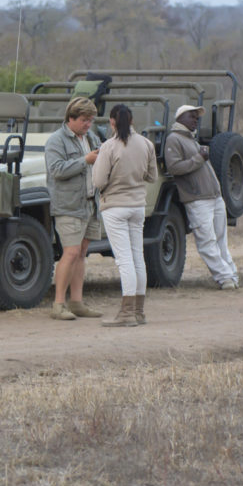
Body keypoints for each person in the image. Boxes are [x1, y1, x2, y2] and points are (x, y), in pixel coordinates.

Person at [92, 104, 158, 327]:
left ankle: (127, 313)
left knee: (124, 260)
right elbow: (152, 176)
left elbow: (98, 181)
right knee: (137, 256)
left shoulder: (109, 147)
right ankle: (139, 311)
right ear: (131, 121)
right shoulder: (147, 144)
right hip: (137, 206)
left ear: (112, 122)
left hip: (115, 207)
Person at [163, 105, 238, 290]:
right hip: (197, 199)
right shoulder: (174, 139)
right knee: (207, 241)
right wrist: (199, 158)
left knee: (220, 239)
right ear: (180, 117)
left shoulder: (191, 138)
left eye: (197, 117)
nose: (196, 120)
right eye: (192, 116)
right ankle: (224, 277)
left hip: (214, 197)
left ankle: (231, 274)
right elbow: (174, 168)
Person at [45, 96, 103, 320]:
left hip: (90, 203)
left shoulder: (92, 137)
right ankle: (58, 304)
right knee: (69, 253)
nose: (88, 124)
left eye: (90, 120)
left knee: (81, 253)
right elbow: (56, 170)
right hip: (68, 205)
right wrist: (85, 160)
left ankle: (77, 302)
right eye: (84, 120)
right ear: (71, 118)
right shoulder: (56, 141)